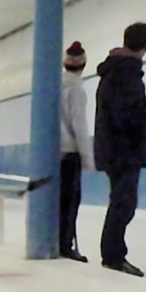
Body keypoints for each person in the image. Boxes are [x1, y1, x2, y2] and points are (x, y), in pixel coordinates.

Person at [94, 22, 146, 276]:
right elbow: (127, 114)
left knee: (120, 201)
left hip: (112, 148)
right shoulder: (127, 73)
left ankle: (113, 253)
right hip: (124, 149)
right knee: (124, 202)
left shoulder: (112, 71)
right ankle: (113, 255)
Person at [59, 41, 93, 261]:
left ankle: (55, 239)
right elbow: (78, 125)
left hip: (50, 151)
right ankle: (65, 244)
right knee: (70, 201)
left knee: (56, 200)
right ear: (83, 64)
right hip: (69, 152)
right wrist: (87, 156)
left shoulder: (53, 85)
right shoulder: (76, 89)